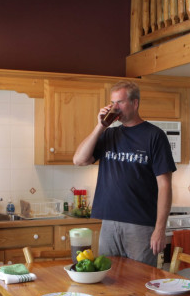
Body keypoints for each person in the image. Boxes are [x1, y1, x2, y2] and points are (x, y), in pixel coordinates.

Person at [73, 80, 176, 266]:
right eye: (112, 103)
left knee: (139, 283)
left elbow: (165, 185)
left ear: (135, 103)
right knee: (108, 280)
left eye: (119, 102)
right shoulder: (109, 135)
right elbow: (79, 160)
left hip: (141, 225)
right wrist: (100, 126)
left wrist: (160, 228)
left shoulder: (154, 136)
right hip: (109, 223)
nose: (115, 107)